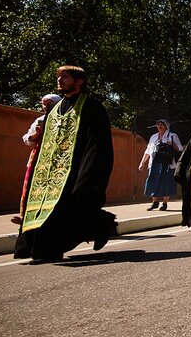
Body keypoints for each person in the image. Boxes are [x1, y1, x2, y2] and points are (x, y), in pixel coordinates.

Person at [15, 66, 116, 261]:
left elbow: (98, 144)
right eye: (59, 77)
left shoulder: (92, 107)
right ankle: (39, 249)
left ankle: (99, 224)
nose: (60, 80)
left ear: (79, 82)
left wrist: (88, 173)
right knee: (45, 207)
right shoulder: (54, 109)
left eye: (65, 77)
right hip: (50, 172)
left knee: (73, 207)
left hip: (76, 169)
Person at [12, 93, 62, 226]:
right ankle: (25, 216)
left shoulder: (64, 119)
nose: (45, 107)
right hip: (38, 157)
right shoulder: (40, 120)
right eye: (43, 104)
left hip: (59, 159)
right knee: (31, 186)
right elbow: (26, 138)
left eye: (48, 104)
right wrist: (36, 134)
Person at [137, 119, 183, 212]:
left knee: (167, 182)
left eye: (162, 124)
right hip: (154, 163)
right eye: (158, 124)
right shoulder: (153, 137)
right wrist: (142, 162)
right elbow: (148, 151)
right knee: (152, 181)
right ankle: (155, 202)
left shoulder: (172, 136)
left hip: (167, 163)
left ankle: (165, 203)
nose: (159, 126)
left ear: (166, 126)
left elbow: (180, 148)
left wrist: (172, 144)